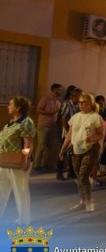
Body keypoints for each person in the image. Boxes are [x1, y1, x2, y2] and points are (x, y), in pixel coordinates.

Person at [59, 93, 104, 212]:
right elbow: (70, 134)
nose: (82, 105)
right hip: (76, 149)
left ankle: (89, 202)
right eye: (80, 102)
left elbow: (101, 134)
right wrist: (63, 148)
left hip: (90, 150)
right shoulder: (75, 116)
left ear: (91, 104)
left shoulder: (95, 117)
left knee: (83, 176)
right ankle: (82, 201)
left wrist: (92, 139)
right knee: (80, 177)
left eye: (85, 102)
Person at [0, 96, 35, 225]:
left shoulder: (26, 122)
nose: (8, 107)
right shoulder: (10, 123)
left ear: (18, 107)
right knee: (1, 190)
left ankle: (24, 220)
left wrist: (25, 160)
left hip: (18, 162)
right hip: (4, 161)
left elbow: (27, 143)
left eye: (10, 104)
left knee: (21, 191)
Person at [33, 83, 62, 176]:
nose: (61, 91)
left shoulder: (59, 101)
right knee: (41, 145)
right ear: (54, 89)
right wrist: (50, 113)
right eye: (59, 89)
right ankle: (36, 165)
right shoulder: (46, 98)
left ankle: (44, 164)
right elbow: (38, 110)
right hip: (43, 125)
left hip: (53, 126)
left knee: (50, 147)